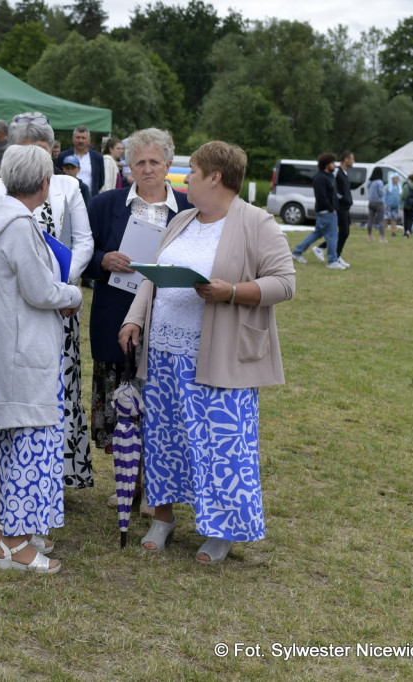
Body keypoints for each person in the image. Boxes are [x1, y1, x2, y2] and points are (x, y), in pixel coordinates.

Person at [119, 141, 295, 565]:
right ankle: (162, 518)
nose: (186, 178)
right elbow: (152, 278)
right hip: (163, 355)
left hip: (219, 356)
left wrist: (231, 292)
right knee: (164, 440)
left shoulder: (257, 222)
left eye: (192, 171)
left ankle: (222, 531)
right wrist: (135, 318)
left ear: (215, 177)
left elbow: (284, 283)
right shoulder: (181, 220)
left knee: (221, 445)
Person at [0, 112, 94, 505]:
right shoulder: (2, 193)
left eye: (40, 149)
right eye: (24, 149)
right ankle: (6, 479)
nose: (32, 156)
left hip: (55, 296)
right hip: (16, 303)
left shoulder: (68, 186)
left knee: (51, 389)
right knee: (9, 385)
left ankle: (46, 476)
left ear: (51, 153)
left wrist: (65, 280)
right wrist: (54, 289)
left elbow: (83, 239)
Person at [0, 144, 83, 574]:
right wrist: (73, 293)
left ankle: (11, 530)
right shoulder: (18, 226)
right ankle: (15, 545)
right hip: (22, 351)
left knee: (20, 445)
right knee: (32, 446)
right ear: (44, 184)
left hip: (7, 349)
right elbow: (40, 290)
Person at [83, 128, 192, 467]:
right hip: (115, 317)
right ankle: (128, 483)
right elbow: (81, 255)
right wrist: (103, 259)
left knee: (161, 406)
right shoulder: (104, 205)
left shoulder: (190, 208)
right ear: (127, 166)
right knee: (123, 410)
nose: (147, 169)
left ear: (169, 164)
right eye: (139, 162)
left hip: (171, 319)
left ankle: (154, 486)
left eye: (154, 162)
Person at [291, 153, 344, 269]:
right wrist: (331, 209)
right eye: (332, 163)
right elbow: (321, 197)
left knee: (317, 234)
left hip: (329, 211)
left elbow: (332, 194)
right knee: (332, 236)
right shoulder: (320, 178)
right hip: (326, 212)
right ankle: (332, 261)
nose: (334, 165)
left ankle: (296, 252)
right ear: (326, 164)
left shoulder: (329, 176)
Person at [312, 151, 354, 267]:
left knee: (344, 233)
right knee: (340, 232)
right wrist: (338, 201)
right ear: (345, 159)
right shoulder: (336, 172)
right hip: (339, 207)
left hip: (346, 206)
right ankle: (332, 256)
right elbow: (333, 189)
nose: (353, 161)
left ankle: (330, 252)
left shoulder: (345, 173)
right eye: (352, 159)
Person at [56, 126, 104, 197]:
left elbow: (101, 181)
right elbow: (57, 178)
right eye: (78, 137)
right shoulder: (63, 156)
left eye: (83, 138)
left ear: (89, 140)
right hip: (67, 197)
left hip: (90, 199)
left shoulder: (97, 157)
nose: (80, 141)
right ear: (73, 139)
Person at [366, 167, 386, 242]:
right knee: (381, 220)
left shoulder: (370, 182)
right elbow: (381, 194)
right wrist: (384, 189)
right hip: (379, 202)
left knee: (370, 220)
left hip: (371, 202)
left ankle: (369, 236)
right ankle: (382, 237)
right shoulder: (379, 182)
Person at [383, 174, 402, 240]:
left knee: (394, 219)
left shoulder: (398, 187)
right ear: (392, 179)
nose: (397, 179)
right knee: (386, 219)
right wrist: (384, 203)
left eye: (397, 178)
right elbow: (384, 195)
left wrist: (400, 204)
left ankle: (393, 232)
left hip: (395, 206)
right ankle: (383, 231)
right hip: (388, 205)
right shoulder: (388, 186)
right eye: (395, 178)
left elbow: (399, 196)